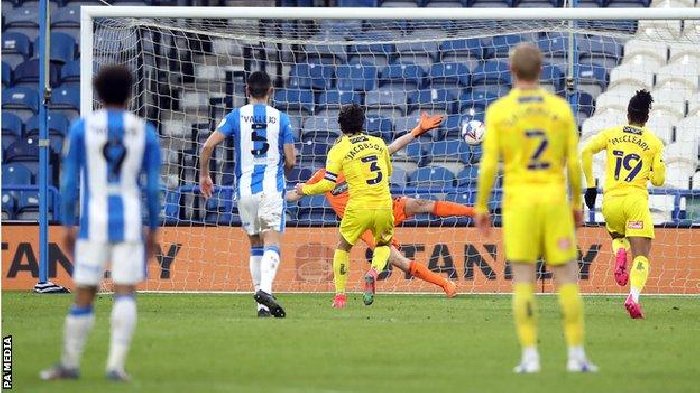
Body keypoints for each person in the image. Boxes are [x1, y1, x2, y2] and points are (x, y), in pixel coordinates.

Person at [474, 43, 597, 373]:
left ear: (511, 71)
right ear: (541, 70)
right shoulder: (559, 109)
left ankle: (530, 357)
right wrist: (576, 203)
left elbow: (488, 166)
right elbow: (572, 162)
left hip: (519, 205)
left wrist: (481, 205)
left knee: (524, 280)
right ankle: (575, 355)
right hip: (554, 202)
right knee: (568, 278)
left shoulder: (499, 111)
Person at [40, 64, 162, 381]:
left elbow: (68, 183)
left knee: (84, 291)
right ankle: (115, 367)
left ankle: (69, 363)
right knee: (125, 291)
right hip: (131, 220)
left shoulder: (82, 128)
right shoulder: (143, 130)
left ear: (97, 93)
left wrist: (67, 223)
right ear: (130, 93)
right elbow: (152, 187)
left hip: (93, 219)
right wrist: (154, 228)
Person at [288, 113, 475, 307]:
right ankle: (444, 283)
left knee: (421, 204)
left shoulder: (351, 162)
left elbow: (393, 147)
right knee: (400, 260)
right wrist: (279, 196)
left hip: (369, 209)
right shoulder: (324, 174)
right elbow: (296, 195)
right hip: (371, 217)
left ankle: (473, 212)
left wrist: (418, 131)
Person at [199, 71, 296, 318]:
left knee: (255, 243)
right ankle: (265, 290)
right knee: (272, 241)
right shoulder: (281, 118)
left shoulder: (236, 116)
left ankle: (262, 305)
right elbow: (291, 159)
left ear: (246, 90)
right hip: (271, 189)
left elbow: (208, 145)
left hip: (244, 191)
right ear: (271, 90)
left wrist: (204, 175)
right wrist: (282, 174)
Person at [295, 104, 393, 306]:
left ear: (340, 126)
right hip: (383, 204)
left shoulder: (338, 149)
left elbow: (329, 184)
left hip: (357, 206)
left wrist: (304, 189)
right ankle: (373, 272)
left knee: (343, 247)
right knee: (383, 245)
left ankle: (340, 296)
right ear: (362, 123)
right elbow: (388, 172)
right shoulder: (379, 143)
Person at [581, 89, 665, 319]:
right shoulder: (653, 142)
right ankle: (633, 297)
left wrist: (590, 186)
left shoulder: (611, 134)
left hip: (610, 201)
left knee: (618, 236)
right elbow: (658, 180)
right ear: (646, 118)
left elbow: (586, 151)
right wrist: (654, 165)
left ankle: (619, 252)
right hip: (635, 201)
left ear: (627, 113)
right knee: (641, 257)